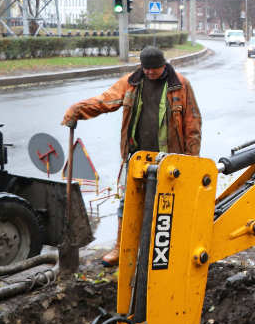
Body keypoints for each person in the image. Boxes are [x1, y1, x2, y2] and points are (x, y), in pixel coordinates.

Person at [61, 46, 202, 267]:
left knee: (167, 205)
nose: (149, 73)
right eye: (146, 69)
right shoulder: (131, 82)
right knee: (128, 202)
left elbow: (192, 124)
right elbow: (106, 100)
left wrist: (192, 161)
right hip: (136, 157)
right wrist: (78, 109)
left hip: (168, 159)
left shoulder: (180, 85)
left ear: (163, 65)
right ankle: (121, 248)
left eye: (154, 69)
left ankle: (168, 251)